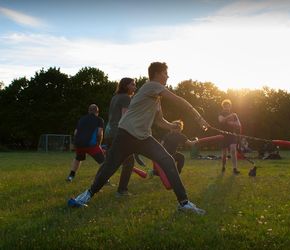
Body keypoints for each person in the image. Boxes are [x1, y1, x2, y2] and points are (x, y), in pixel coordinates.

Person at [68, 62, 211, 215]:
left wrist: (172, 126)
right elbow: (177, 99)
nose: (168, 76)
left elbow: (159, 121)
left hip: (143, 138)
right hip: (126, 135)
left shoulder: (156, 97)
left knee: (168, 160)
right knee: (109, 167)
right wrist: (198, 117)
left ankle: (184, 204)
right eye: (165, 73)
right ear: (157, 73)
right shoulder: (151, 86)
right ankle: (85, 197)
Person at [104, 77, 137, 197]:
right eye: (132, 84)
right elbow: (125, 117)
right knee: (129, 161)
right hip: (119, 133)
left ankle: (98, 183)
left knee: (110, 162)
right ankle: (122, 190)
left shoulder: (115, 97)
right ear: (126, 86)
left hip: (109, 133)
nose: (135, 87)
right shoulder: (125, 98)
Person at [66, 104, 105, 181]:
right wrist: (99, 144)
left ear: (89, 111)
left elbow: (75, 132)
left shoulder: (82, 119)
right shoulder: (99, 120)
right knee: (103, 162)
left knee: (78, 159)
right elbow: (99, 133)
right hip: (91, 145)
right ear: (97, 112)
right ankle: (104, 179)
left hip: (79, 144)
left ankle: (71, 176)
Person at [218, 99, 241, 174]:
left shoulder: (234, 115)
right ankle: (223, 166)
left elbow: (239, 125)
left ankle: (235, 168)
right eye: (225, 106)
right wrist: (229, 117)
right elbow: (221, 121)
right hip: (223, 135)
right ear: (223, 107)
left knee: (233, 150)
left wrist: (231, 123)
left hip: (232, 135)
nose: (226, 107)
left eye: (228, 106)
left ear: (230, 106)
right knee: (224, 154)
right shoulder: (221, 113)